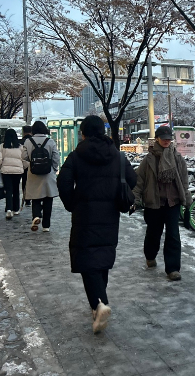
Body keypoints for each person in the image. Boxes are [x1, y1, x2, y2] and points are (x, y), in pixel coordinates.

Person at [57, 115, 136, 333]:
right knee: (101, 256)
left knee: (87, 260)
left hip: (84, 215)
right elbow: (133, 180)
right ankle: (98, 304)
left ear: (83, 133)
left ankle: (99, 304)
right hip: (110, 216)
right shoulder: (117, 156)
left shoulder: (76, 155)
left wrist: (72, 203)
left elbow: (63, 181)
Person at [132, 125, 192, 281]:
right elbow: (139, 181)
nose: (166, 141)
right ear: (157, 139)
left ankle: (172, 269)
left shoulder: (177, 158)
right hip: (154, 203)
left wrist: (187, 199)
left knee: (173, 235)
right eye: (163, 138)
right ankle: (150, 256)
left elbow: (184, 181)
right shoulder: (149, 159)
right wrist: (135, 199)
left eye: (169, 138)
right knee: (153, 233)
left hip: (172, 202)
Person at [22, 121, 59, 232]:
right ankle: (46, 225)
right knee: (48, 198)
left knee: (35, 197)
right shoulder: (50, 141)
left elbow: (23, 157)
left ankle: (36, 216)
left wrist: (30, 166)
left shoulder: (28, 142)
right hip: (48, 174)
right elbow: (56, 157)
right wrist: (54, 169)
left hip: (33, 174)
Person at [0, 129, 28, 220]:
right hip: (18, 172)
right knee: (16, 189)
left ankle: (9, 209)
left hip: (6, 172)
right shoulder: (21, 147)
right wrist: (22, 167)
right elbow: (26, 160)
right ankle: (16, 209)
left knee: (8, 190)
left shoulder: (2, 147)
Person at [20, 126, 33, 207]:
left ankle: (26, 199)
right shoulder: (33, 141)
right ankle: (33, 197)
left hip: (23, 165)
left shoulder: (21, 141)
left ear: (23, 132)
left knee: (24, 181)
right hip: (34, 165)